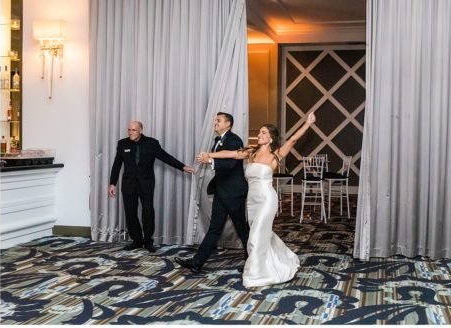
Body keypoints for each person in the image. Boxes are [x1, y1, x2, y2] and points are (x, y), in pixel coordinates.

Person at [194, 114, 317, 287]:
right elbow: (231, 154)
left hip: (267, 199)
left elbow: (293, 140)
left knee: (256, 235)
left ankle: (255, 273)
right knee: (257, 234)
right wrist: (210, 155)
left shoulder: (276, 155)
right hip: (252, 201)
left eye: (263, 133)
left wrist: (307, 123)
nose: (259, 135)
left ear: (271, 137)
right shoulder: (251, 152)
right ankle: (275, 261)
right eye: (259, 132)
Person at [177, 112, 252, 273]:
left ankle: (253, 264)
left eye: (218, 120)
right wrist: (212, 161)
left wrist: (210, 160)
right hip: (221, 192)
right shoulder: (218, 140)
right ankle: (197, 262)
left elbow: (231, 163)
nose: (215, 123)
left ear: (228, 124)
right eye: (215, 120)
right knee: (214, 229)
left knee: (242, 230)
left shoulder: (234, 139)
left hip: (233, 193)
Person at [108, 121, 194, 252]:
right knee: (130, 212)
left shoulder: (151, 143)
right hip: (128, 184)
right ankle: (136, 240)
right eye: (129, 130)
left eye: (134, 130)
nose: (131, 132)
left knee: (148, 212)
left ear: (141, 130)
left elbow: (165, 157)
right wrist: (112, 183)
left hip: (146, 184)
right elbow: (117, 164)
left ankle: (148, 241)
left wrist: (182, 167)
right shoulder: (122, 143)